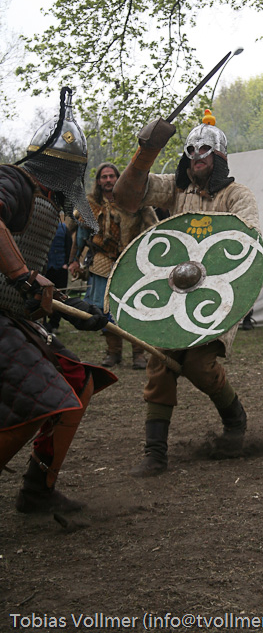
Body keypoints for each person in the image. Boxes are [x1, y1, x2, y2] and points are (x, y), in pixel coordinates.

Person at [113, 108, 260, 477]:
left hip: (216, 296)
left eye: (205, 152)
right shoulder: (176, 190)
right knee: (159, 362)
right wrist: (145, 153)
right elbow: (126, 196)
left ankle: (235, 419)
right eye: (191, 152)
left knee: (197, 365)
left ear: (219, 157)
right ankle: (155, 453)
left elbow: (246, 245)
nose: (197, 158)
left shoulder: (237, 196)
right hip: (174, 294)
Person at [0, 91, 117, 514]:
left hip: (14, 317)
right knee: (37, 402)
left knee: (77, 382)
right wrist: (23, 275)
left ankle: (37, 492)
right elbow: (20, 274)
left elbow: (31, 289)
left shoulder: (48, 201)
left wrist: (71, 309)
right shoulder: (13, 180)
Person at [68, 162, 158, 369]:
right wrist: (74, 260)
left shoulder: (134, 201)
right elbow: (80, 236)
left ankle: (138, 354)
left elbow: (152, 228)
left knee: (135, 307)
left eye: (112, 176)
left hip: (131, 262)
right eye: (104, 177)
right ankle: (113, 352)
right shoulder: (90, 205)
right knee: (105, 309)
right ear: (99, 181)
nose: (108, 180)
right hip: (101, 262)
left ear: (118, 179)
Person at [44, 212, 73, 333]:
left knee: (60, 296)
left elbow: (69, 246)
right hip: (46, 268)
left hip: (61, 268)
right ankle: (44, 323)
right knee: (44, 296)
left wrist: (66, 263)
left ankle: (54, 324)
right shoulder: (43, 227)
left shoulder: (63, 228)